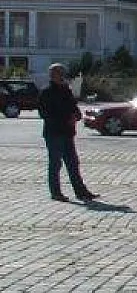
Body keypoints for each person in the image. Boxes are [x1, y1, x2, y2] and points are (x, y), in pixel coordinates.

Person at [39, 64, 96, 203]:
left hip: (67, 133)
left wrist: (77, 116)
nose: (62, 75)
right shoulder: (46, 92)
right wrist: (65, 118)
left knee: (73, 163)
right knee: (55, 164)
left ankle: (81, 191)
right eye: (59, 73)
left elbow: (74, 107)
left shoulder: (66, 90)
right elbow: (44, 113)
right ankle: (56, 192)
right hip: (54, 133)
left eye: (63, 72)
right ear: (52, 75)